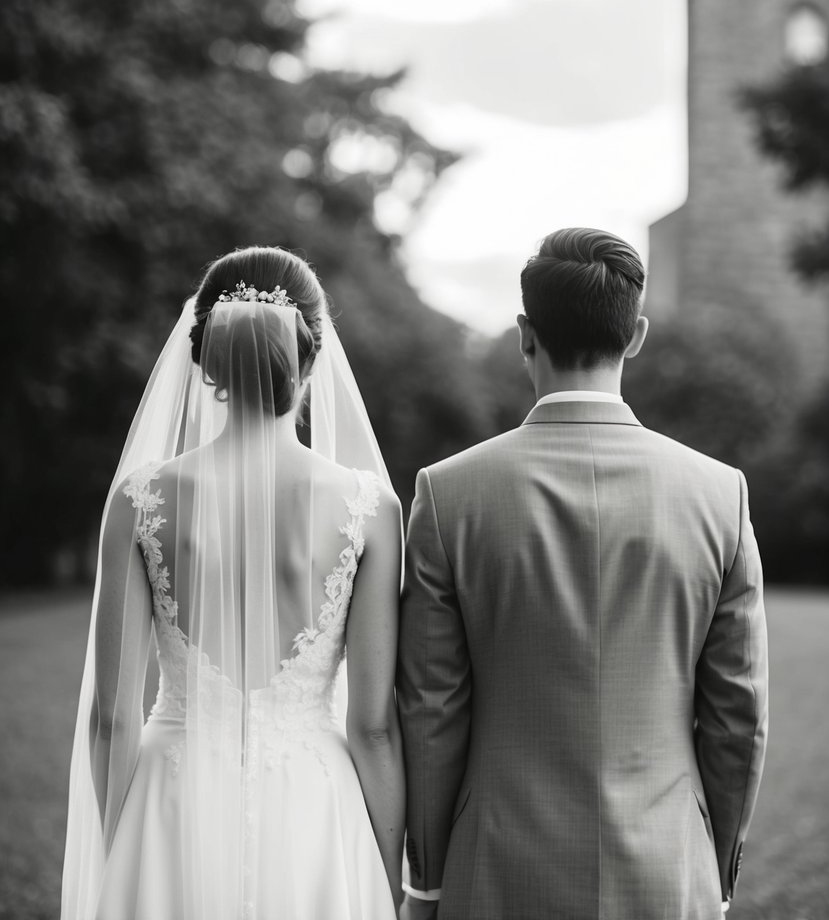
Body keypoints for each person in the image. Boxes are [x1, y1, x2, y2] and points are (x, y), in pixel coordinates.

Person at [397, 227, 768, 920]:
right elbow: (736, 718)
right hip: (666, 865)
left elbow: (429, 710)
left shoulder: (447, 494)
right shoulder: (720, 494)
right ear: (636, 335)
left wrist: (427, 880)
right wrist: (711, 873)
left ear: (523, 334)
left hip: (496, 867)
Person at [61, 246, 405, 920]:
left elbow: (111, 715)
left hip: (170, 796)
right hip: (314, 808)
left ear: (204, 359)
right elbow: (373, 729)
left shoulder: (141, 498)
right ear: (311, 356)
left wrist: (121, 853)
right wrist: (388, 875)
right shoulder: (370, 509)